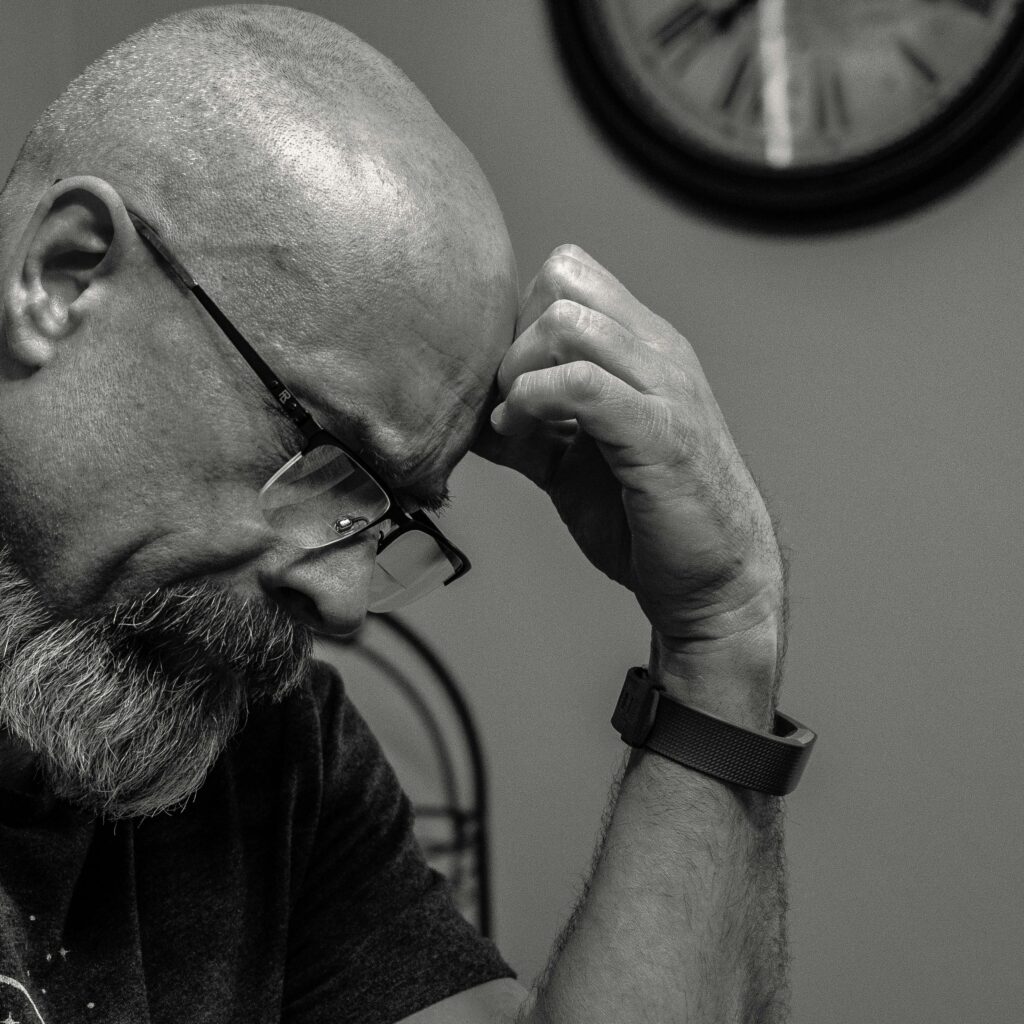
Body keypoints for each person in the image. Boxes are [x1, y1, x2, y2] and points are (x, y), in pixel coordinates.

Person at [0, 6, 808, 1023]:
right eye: (322, 457)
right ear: (62, 277)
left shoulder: (266, 751)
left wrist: (719, 632)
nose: (344, 602)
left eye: (384, 517)